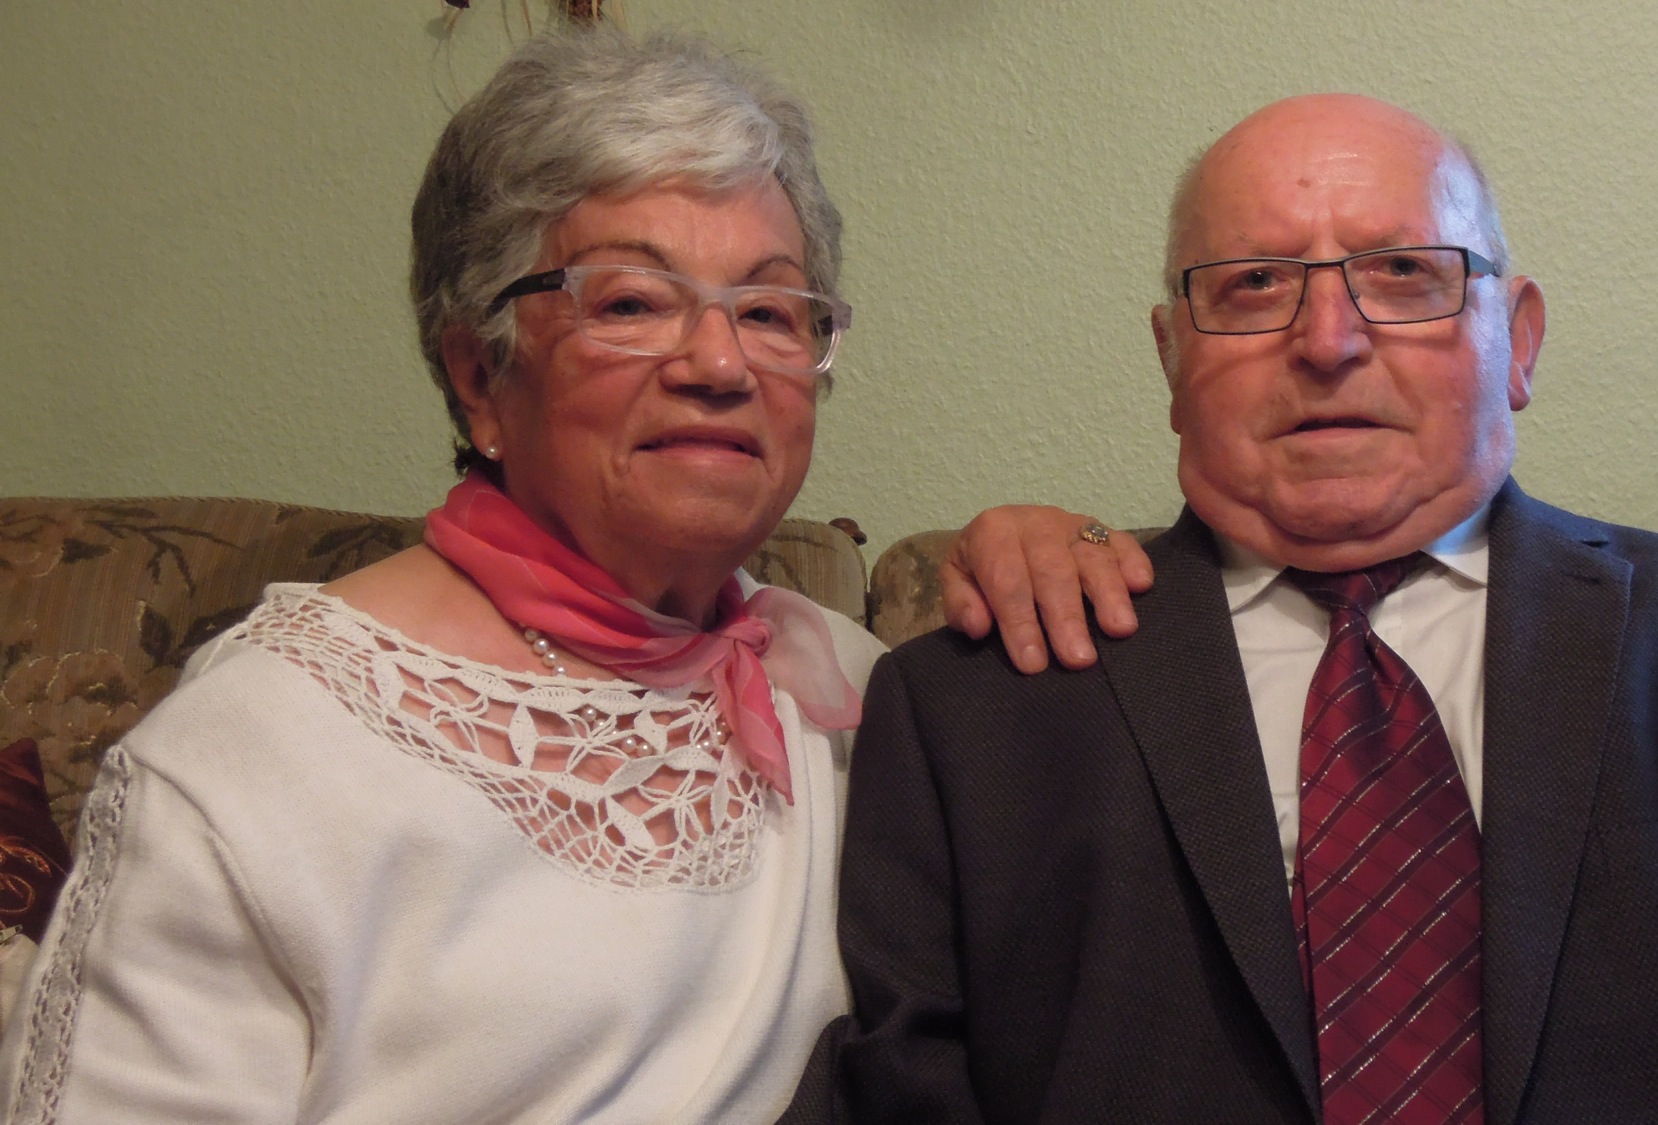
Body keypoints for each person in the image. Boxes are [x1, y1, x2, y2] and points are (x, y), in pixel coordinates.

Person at [0, 30, 1099, 1123]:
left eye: (768, 311)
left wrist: (1047, 560)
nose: (719, 364)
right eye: (630, 303)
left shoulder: (855, 690)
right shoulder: (258, 755)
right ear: (480, 373)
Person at [834, 94, 1658, 1122]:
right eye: (1253, 284)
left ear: (1517, 340)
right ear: (1170, 359)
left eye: (1403, 274)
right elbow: (903, 1091)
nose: (1327, 341)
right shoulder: (971, 706)